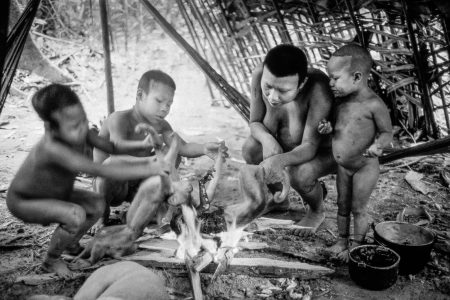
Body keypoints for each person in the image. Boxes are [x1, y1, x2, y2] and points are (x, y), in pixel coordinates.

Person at [6, 84, 169, 278]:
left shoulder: (80, 130)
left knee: (96, 204)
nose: (82, 127)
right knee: (75, 215)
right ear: (50, 128)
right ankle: (51, 260)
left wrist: (141, 144)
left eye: (83, 119)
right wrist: (149, 166)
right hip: (26, 200)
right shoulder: (54, 148)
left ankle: (70, 243)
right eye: (74, 126)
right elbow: (98, 169)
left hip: (56, 192)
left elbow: (111, 146)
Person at [92, 70, 227, 232]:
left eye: (169, 104)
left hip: (138, 185)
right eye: (159, 101)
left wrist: (204, 148)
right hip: (111, 186)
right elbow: (117, 154)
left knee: (172, 149)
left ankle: (137, 212)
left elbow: (183, 147)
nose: (165, 108)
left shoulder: (161, 126)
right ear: (140, 96)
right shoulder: (119, 119)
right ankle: (101, 215)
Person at [242, 44, 335, 236]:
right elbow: (255, 123)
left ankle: (317, 211)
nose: (273, 97)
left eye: (283, 91)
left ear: (301, 84)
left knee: (298, 173)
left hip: (320, 151)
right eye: (268, 87)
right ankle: (279, 200)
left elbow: (310, 146)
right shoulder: (260, 73)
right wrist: (267, 140)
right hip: (286, 147)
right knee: (251, 149)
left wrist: (279, 160)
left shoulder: (318, 89)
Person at [319, 44, 393, 261]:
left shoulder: (374, 105)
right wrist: (328, 128)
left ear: (357, 77)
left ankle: (356, 246)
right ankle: (341, 240)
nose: (330, 83)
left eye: (335, 78)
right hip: (343, 167)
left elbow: (387, 133)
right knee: (342, 204)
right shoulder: (340, 101)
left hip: (364, 167)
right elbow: (337, 126)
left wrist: (378, 146)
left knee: (357, 207)